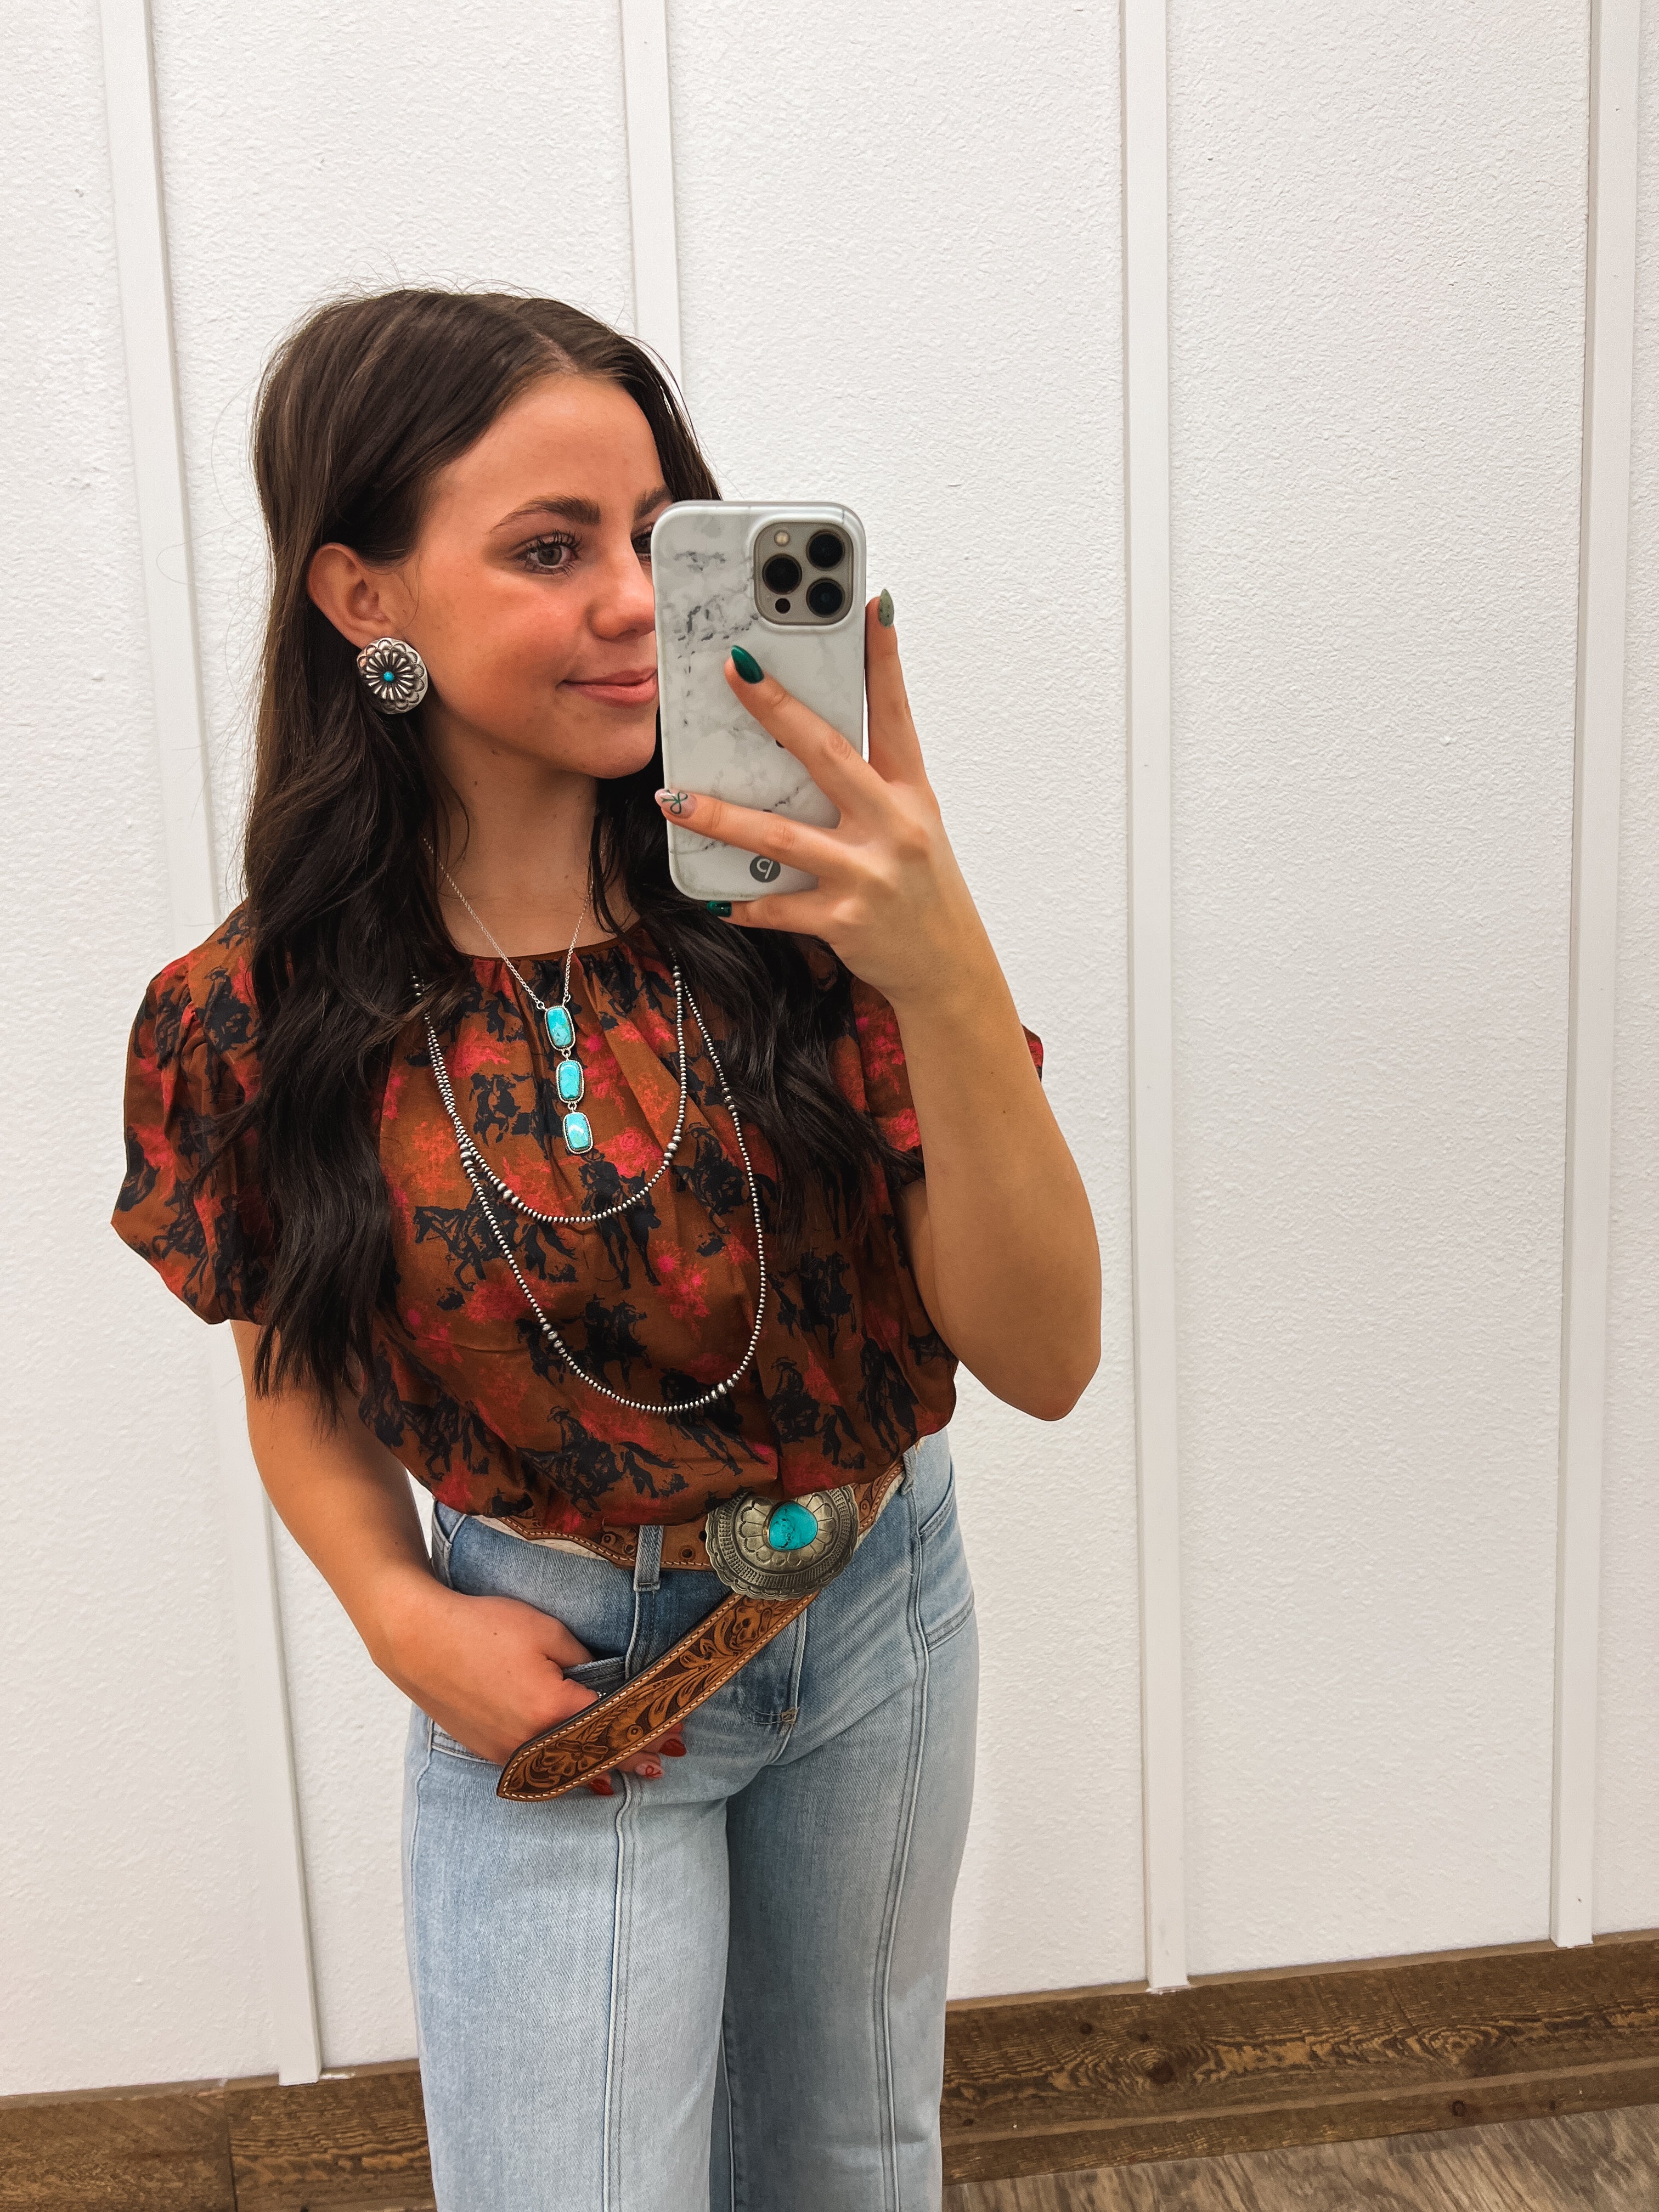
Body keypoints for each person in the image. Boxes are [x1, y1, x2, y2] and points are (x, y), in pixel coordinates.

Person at [113, 289, 1100, 2211]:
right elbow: (295, 1378)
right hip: (562, 1672)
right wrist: (400, 1615)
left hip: (879, 1617)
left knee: (853, 2163)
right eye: (550, 550)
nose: (639, 601)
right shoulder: (259, 1018)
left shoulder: (814, 930)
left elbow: (1046, 1359)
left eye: (657, 537)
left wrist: (943, 969)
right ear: (363, 597)